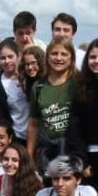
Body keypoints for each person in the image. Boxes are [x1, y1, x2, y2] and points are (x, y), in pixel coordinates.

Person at [66, 39, 98, 193]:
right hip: (90, 156)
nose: (97, 61)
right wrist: (81, 161)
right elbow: (75, 127)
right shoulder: (82, 87)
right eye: (93, 57)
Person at [27, 38, 77, 166]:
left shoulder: (79, 83)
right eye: (54, 53)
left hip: (74, 151)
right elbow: (33, 124)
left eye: (64, 54)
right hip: (48, 153)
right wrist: (29, 156)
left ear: (71, 58)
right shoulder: (38, 86)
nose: (58, 58)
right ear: (47, 57)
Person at [0, 39, 29, 141]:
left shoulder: (29, 76)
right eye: (3, 58)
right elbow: (0, 118)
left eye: (10, 57)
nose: (7, 61)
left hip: (37, 135)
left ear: (18, 56)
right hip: (17, 137)